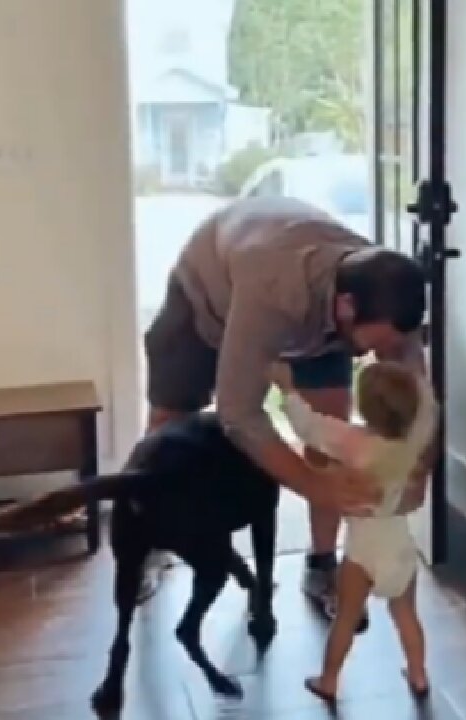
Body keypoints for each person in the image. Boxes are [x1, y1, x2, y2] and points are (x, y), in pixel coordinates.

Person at [137, 195, 436, 625]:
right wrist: (315, 486)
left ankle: (321, 565)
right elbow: (239, 413)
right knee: (168, 432)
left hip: (317, 314)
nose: (385, 355)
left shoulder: (382, 295)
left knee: (331, 434)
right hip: (207, 295)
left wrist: (419, 469)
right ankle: (150, 541)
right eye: (381, 345)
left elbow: (417, 396)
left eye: (394, 345)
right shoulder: (274, 290)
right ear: (348, 307)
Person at [273, 360, 437, 702]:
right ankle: (419, 674)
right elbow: (429, 409)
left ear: (364, 406)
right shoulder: (412, 447)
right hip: (399, 545)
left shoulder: (351, 442)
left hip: (362, 549)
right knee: (406, 614)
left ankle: (329, 680)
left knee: (345, 618)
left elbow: (309, 427)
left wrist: (287, 389)